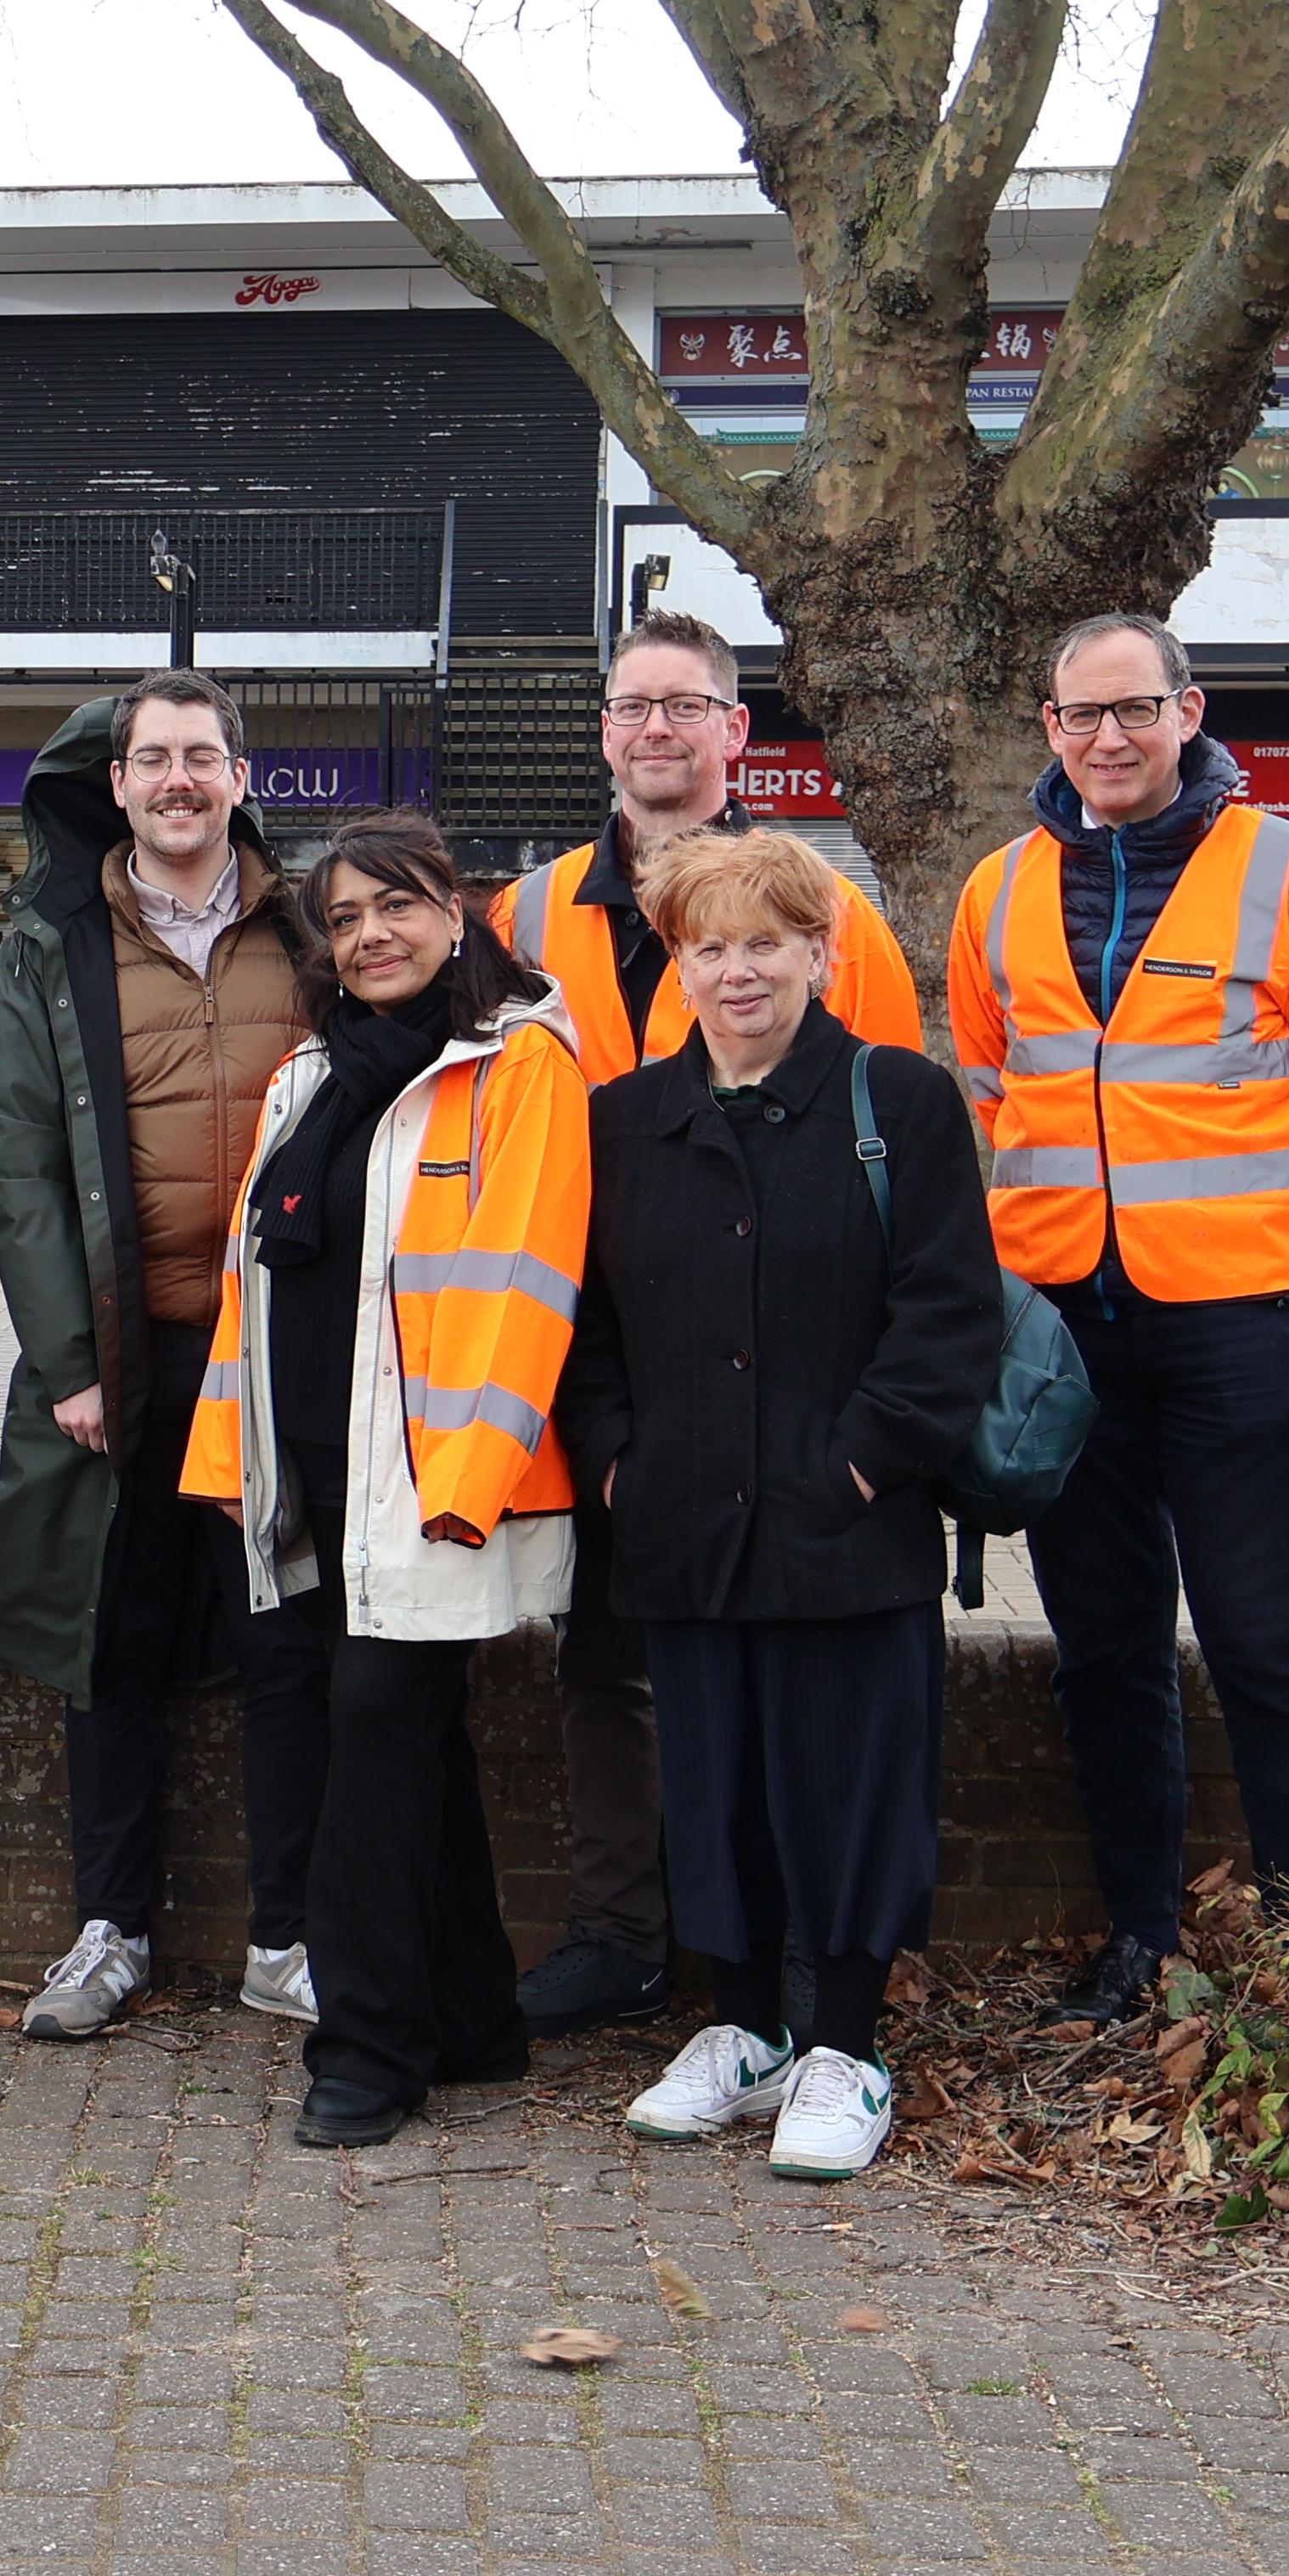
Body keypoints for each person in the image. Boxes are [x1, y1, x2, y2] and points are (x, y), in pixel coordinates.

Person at [946, 613, 1289, 2031]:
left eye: (1136, 709)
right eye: (1081, 716)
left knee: (1268, 1640)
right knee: (1106, 1648)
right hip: (1068, 1333)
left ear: (1189, 711)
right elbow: (987, 1087)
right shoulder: (998, 890)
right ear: (1048, 727)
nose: (1109, 739)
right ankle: (1141, 1937)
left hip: (1239, 1322)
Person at [486, 610, 932, 2042]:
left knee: (785, 1685)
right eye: (632, 706)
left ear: (737, 732)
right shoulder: (531, 911)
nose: (656, 730)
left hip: (787, 1358)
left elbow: (895, 1139)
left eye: (687, 705)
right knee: (607, 1658)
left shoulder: (822, 905)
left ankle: (803, 1971)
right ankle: (625, 1935)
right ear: (603, 730)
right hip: (606, 1340)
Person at [571, 829, 1008, 2183]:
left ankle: (847, 2048)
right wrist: (619, 1466)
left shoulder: (902, 1102)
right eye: (711, 946)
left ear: (823, 953)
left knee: (849, 1794)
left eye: (768, 942)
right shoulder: (624, 1120)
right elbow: (586, 1329)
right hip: (687, 1531)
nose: (739, 970)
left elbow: (949, 1314)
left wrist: (864, 1466)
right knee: (712, 1794)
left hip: (846, 1529)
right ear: (680, 968)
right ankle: (745, 2029)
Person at [178, 813, 589, 2151]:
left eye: (395, 907)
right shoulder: (312, 1078)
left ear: (457, 910)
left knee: (371, 1745)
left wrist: (465, 1484)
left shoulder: (521, 1063)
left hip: (433, 1486)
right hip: (312, 1481)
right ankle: (473, 2023)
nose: (369, 937)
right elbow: (254, 1285)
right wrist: (234, 1465)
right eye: (344, 920)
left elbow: (533, 1279)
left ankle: (364, 2054)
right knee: (412, 1744)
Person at [0, 672, 331, 2042]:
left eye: (200, 757)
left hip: (284, 1360)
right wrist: (71, 1359)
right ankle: (110, 1928)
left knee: (291, 1642)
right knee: (108, 1641)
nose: (177, 780)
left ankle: (285, 1938)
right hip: (127, 1354)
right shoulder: (49, 939)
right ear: (114, 786)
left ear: (239, 776)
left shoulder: (308, 925)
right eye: (150, 758)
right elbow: (15, 1163)